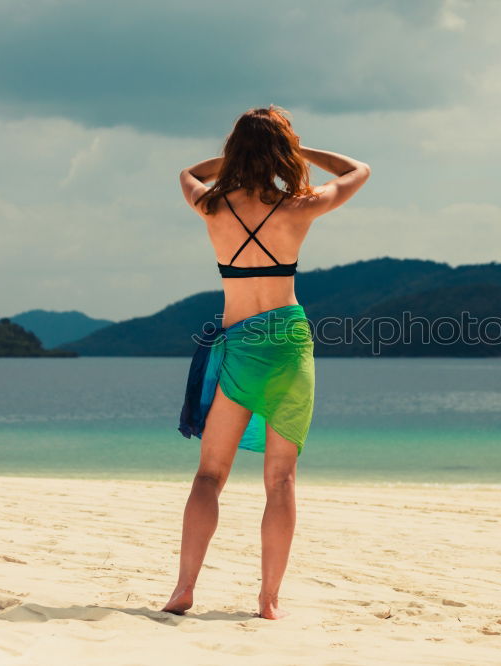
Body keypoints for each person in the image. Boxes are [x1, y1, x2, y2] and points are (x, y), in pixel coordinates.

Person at [162, 105, 370, 619]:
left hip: (240, 346)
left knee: (210, 476)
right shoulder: (299, 206)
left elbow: (185, 174)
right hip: (288, 346)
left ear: (236, 151)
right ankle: (268, 600)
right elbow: (357, 171)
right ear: (281, 152)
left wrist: (235, 157)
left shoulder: (211, 206)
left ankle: (183, 590)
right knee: (281, 481)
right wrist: (297, 152)